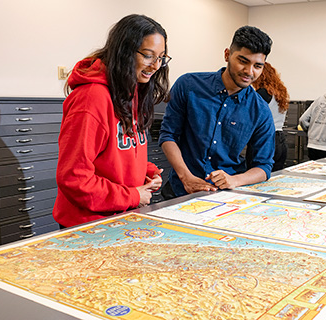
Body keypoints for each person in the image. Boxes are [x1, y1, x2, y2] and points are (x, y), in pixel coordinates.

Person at [53, 14, 171, 228]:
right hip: (89, 225)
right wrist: (133, 195)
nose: (155, 66)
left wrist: (146, 171)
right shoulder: (91, 98)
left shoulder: (132, 91)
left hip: (123, 217)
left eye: (161, 58)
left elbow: (115, 155)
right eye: (147, 56)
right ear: (124, 52)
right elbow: (75, 178)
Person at [159, 25, 275, 199]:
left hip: (225, 197)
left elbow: (264, 166)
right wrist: (186, 177)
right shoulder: (188, 85)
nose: (249, 72)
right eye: (243, 61)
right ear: (227, 54)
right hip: (179, 190)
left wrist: (235, 180)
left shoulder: (260, 110)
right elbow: (168, 135)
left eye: (257, 66)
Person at [246, 62, 290, 172]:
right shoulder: (280, 93)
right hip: (280, 140)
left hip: (265, 140)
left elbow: (249, 116)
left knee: (255, 177)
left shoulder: (262, 93)